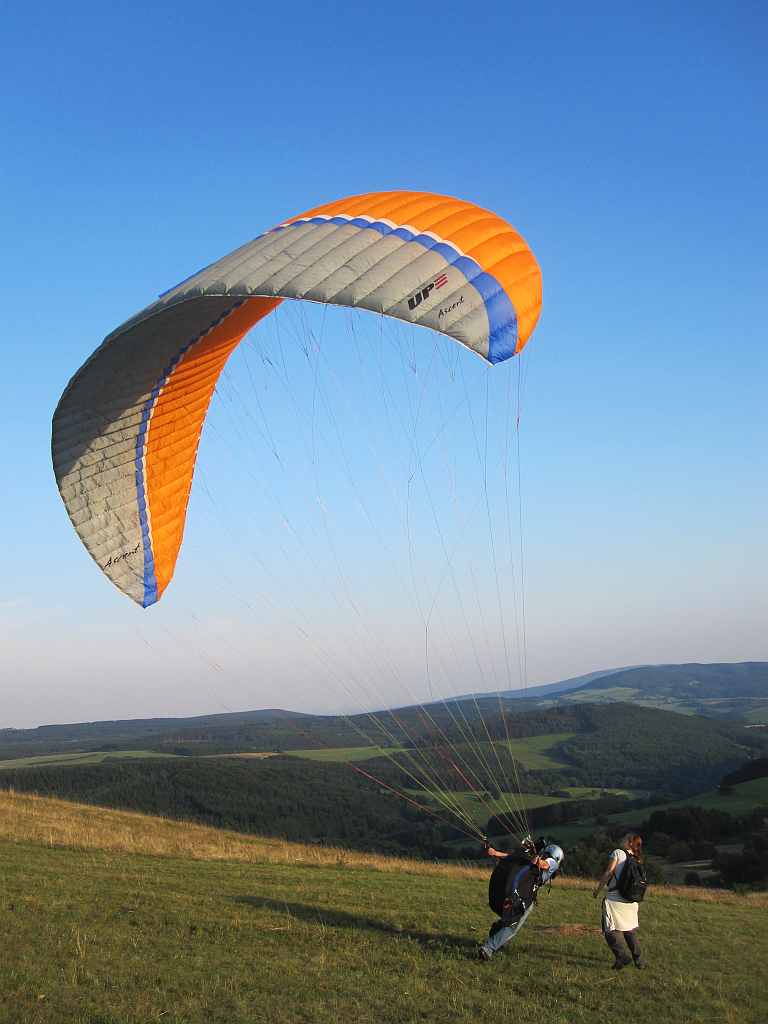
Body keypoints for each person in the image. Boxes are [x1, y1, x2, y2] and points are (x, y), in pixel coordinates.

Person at [478, 840, 564, 961]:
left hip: (523, 894)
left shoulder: (548, 862)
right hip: (523, 896)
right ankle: (488, 948)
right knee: (513, 926)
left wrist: (535, 855)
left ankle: (497, 930)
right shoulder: (550, 862)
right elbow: (515, 859)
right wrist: (495, 853)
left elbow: (542, 864)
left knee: (510, 919)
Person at [592, 833, 647, 970]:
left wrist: (597, 890)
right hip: (631, 900)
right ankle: (638, 960)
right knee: (629, 930)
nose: (621, 840)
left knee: (609, 929)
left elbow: (609, 872)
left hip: (614, 898)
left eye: (624, 838)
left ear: (629, 842)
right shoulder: (637, 857)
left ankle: (622, 957)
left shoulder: (618, 853)